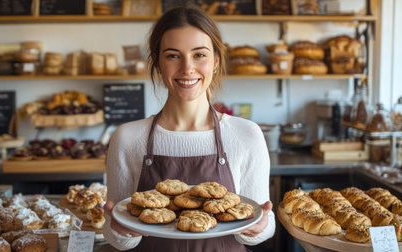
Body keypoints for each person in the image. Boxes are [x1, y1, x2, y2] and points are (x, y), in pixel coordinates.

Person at [103, 5, 275, 252]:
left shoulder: (246, 134)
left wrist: (259, 229)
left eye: (199, 55)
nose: (187, 68)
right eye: (173, 55)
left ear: (215, 61)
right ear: (158, 63)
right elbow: (114, 231)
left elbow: (263, 224)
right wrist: (120, 231)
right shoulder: (128, 137)